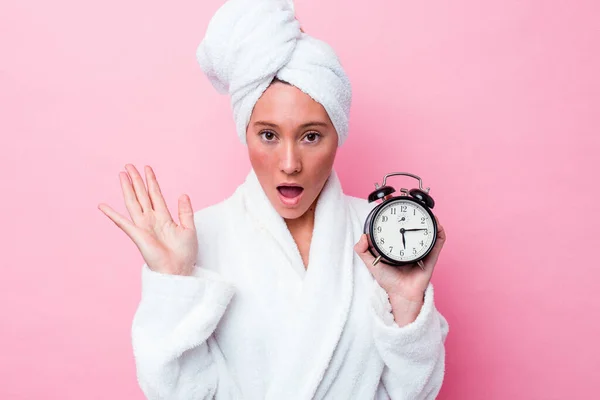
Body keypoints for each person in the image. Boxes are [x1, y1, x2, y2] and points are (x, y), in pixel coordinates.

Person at [98, 0, 449, 398]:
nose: (289, 163)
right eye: (268, 135)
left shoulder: (381, 236)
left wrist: (407, 303)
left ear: (339, 135)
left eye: (311, 136)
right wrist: (174, 283)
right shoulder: (200, 238)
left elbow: (414, 393)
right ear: (245, 133)